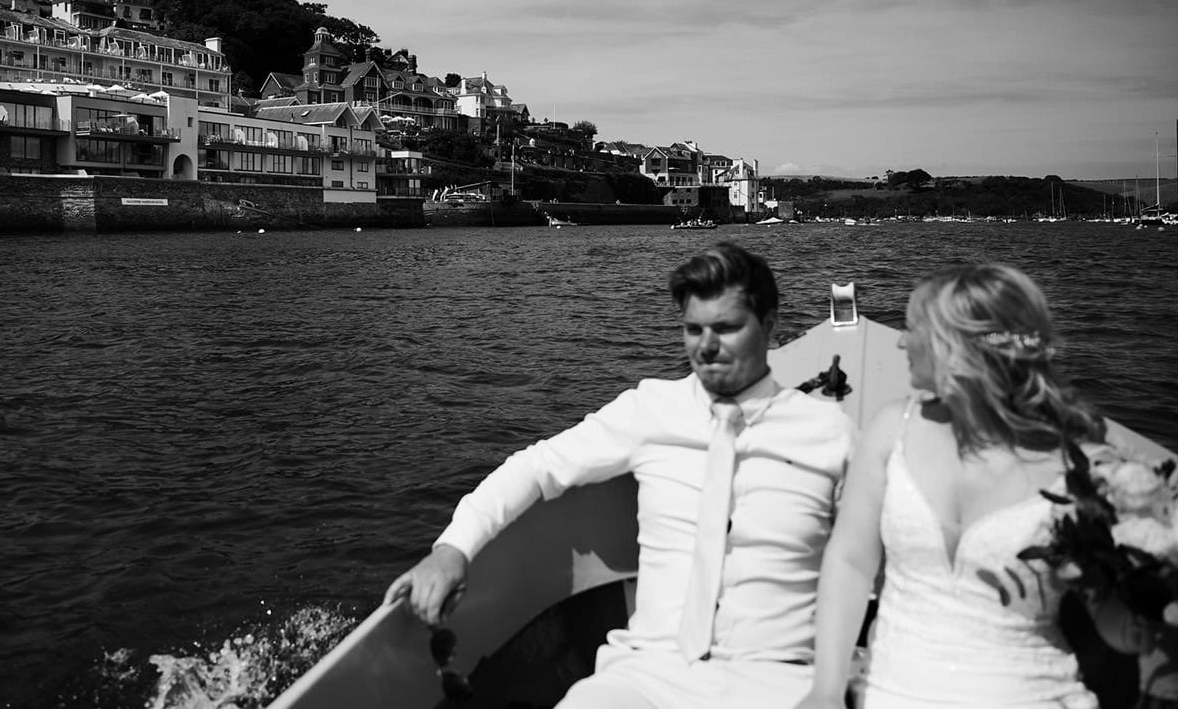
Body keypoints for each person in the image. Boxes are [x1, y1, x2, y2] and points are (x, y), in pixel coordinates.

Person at [385, 242, 857, 709]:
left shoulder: (828, 434)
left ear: (770, 326)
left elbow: (870, 555)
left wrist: (836, 683)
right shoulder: (650, 410)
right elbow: (536, 467)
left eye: (726, 328)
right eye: (693, 329)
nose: (707, 346)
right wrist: (451, 550)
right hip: (648, 671)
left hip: (780, 677)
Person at [795, 263, 1106, 709]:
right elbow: (850, 561)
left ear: (954, 345)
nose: (900, 341)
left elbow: (1104, 605)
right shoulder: (893, 429)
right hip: (892, 692)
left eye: (913, 328)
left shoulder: (1079, 463)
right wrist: (826, 690)